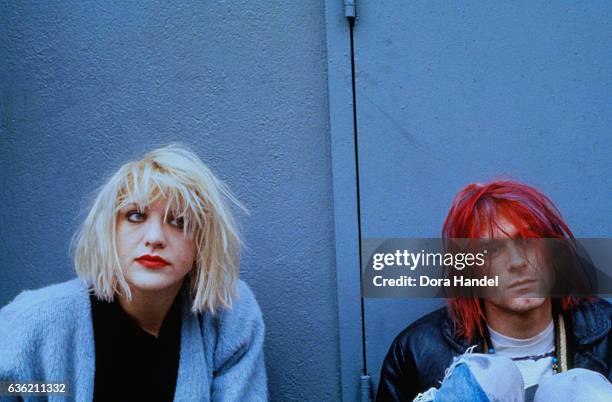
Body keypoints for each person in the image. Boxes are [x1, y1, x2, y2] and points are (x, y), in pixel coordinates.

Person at [0, 144, 267, 401]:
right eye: (136, 216)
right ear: (109, 230)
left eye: (179, 221)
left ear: (202, 242)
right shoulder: (34, 321)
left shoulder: (229, 313)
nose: (155, 238)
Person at [376, 180, 611, 401]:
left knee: (579, 389)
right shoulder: (419, 350)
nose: (517, 262)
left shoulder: (608, 334)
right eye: (492, 250)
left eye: (528, 240)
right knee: (492, 379)